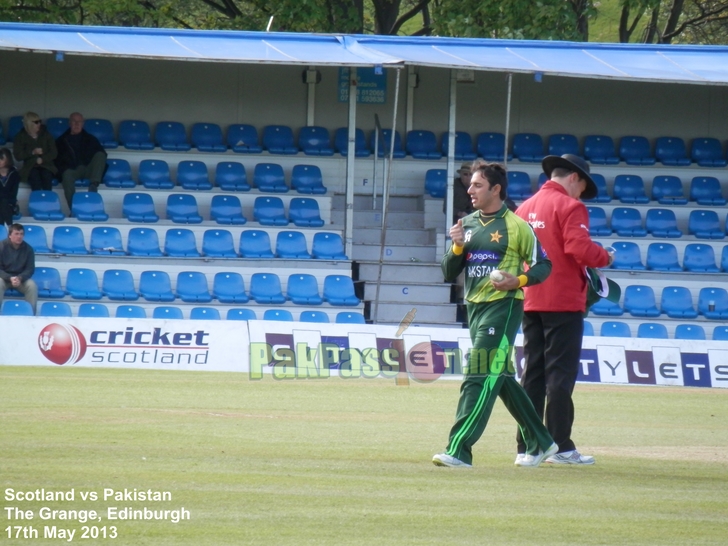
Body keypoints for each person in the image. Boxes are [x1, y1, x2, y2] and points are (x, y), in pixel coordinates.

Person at [432, 160, 557, 469]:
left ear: (495, 189)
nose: (469, 189)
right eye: (470, 184)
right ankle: (541, 441)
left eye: (476, 185)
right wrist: (458, 247)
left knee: (476, 374)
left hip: (503, 309)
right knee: (500, 377)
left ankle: (459, 449)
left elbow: (544, 264)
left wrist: (520, 281)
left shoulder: (517, 226)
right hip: (474, 309)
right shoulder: (468, 224)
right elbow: (448, 272)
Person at [515, 153, 613, 465]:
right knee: (560, 375)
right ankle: (560, 445)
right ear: (574, 177)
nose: (581, 193)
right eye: (583, 186)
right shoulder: (571, 206)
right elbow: (578, 248)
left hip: (531, 297)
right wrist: (605, 257)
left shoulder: (523, 208)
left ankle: (528, 446)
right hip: (564, 301)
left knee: (532, 373)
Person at [55, 112, 107, 208]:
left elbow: (102, 155)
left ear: (83, 124)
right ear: (69, 123)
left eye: (79, 122)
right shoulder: (61, 141)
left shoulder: (91, 139)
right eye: (74, 121)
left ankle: (93, 185)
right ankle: (74, 209)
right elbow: (57, 161)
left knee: (100, 154)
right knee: (66, 175)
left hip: (89, 169)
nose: (77, 124)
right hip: (73, 170)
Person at [12, 112, 57, 191]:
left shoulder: (46, 134)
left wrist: (43, 159)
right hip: (30, 166)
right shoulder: (20, 137)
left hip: (47, 165)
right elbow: (18, 156)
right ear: (29, 124)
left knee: (46, 177)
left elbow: (54, 152)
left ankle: (49, 201)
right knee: (35, 178)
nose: (39, 124)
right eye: (36, 122)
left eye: (40, 121)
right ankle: (36, 202)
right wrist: (32, 152)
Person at [0, 223, 37, 314]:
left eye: (21, 234)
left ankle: (31, 315)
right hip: (4, 278)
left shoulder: (29, 249)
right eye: (16, 234)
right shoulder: (1, 247)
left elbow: (30, 269)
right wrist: (9, 278)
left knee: (32, 286)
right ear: (9, 235)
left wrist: (20, 278)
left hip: (21, 279)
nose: (19, 236)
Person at [0, 148, 21, 227]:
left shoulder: (14, 174)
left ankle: (3, 231)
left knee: (4, 203)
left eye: (1, 158)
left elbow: (13, 194)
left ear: (8, 159)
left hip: (10, 204)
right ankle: (10, 226)